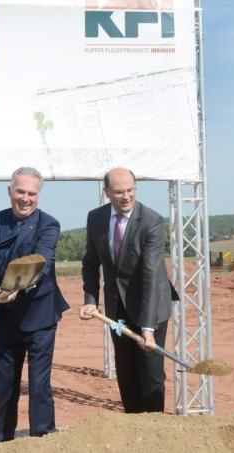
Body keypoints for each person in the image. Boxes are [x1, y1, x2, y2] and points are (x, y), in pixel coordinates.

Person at [0, 167, 69, 442]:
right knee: (5, 384)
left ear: (38, 196)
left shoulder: (49, 224)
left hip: (40, 315)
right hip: (6, 319)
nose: (26, 198)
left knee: (39, 384)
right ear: (10, 191)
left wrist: (15, 286)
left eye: (32, 194)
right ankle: (3, 440)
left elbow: (42, 262)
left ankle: (43, 438)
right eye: (21, 191)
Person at [79, 167, 172, 413]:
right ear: (106, 191)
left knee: (151, 373)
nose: (126, 196)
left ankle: (154, 429)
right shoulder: (96, 218)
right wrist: (91, 299)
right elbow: (90, 261)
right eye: (119, 191)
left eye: (130, 190)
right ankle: (133, 427)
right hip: (117, 309)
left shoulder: (152, 221)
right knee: (127, 370)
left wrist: (148, 329)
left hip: (150, 306)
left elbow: (150, 275)